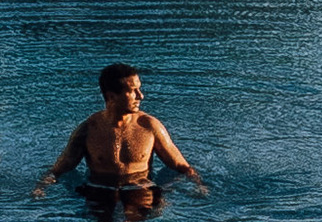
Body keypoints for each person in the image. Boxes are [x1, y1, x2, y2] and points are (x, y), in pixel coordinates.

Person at [35, 63, 206, 205]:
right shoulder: (88, 130)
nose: (141, 96)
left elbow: (183, 167)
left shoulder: (150, 127)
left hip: (141, 190)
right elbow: (58, 170)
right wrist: (40, 189)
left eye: (139, 89)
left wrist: (199, 186)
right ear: (111, 96)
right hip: (100, 192)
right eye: (133, 91)